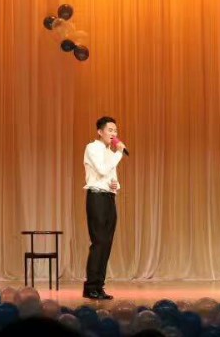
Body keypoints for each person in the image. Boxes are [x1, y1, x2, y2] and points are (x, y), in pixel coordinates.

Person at [82, 116, 126, 300]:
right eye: (110, 130)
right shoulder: (92, 148)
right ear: (100, 132)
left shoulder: (110, 152)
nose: (114, 133)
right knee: (99, 242)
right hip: (97, 198)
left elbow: (111, 177)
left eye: (115, 130)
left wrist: (116, 185)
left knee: (106, 244)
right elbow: (101, 170)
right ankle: (90, 287)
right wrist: (119, 152)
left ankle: (99, 286)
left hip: (109, 198)